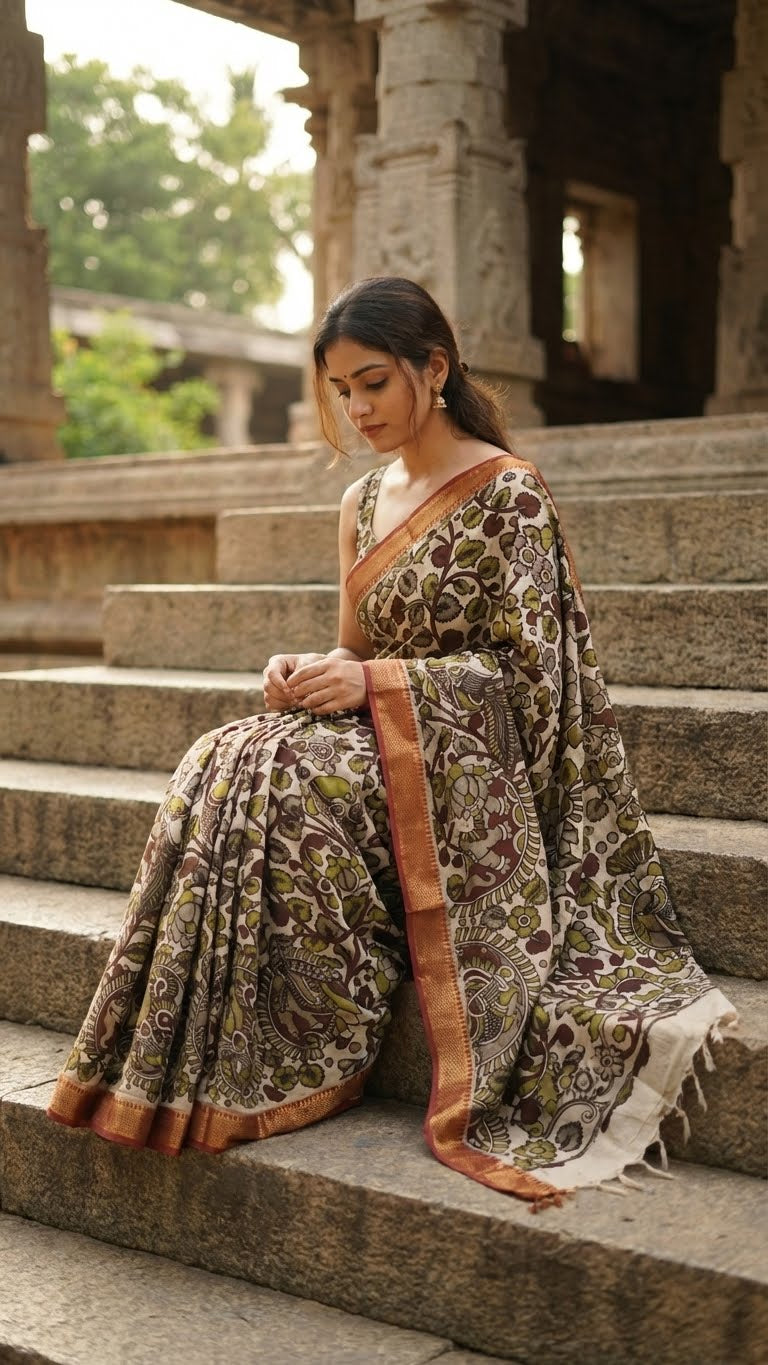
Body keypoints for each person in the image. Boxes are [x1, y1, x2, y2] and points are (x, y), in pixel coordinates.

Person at [47, 276, 735, 1208]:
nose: (357, 409)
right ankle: (191, 1058)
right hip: (382, 731)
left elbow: (537, 680)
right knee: (227, 753)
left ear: (434, 369)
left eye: (373, 383)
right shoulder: (361, 501)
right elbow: (355, 644)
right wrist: (311, 668)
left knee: (291, 777)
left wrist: (377, 685)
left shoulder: (509, 494)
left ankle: (318, 1038)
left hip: (475, 768)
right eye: (342, 391)